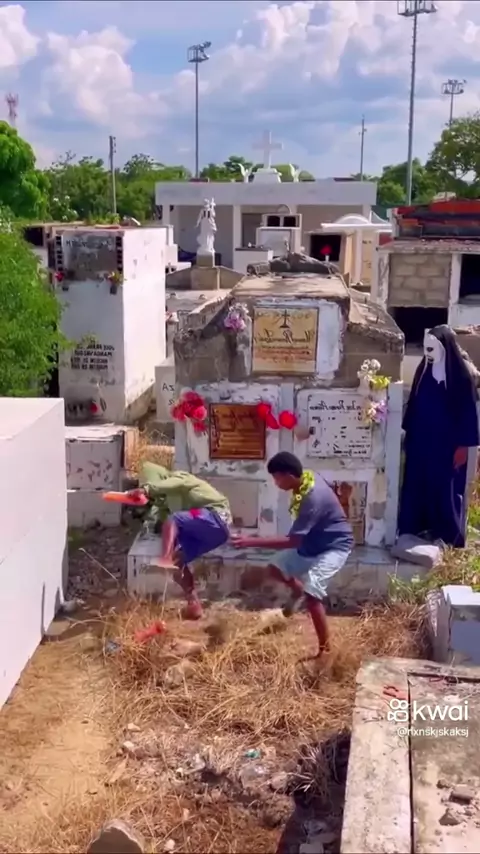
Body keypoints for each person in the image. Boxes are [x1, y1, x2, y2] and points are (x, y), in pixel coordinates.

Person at [231, 452, 354, 657]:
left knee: (312, 595)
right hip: (312, 543)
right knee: (275, 568)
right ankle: (296, 590)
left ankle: (325, 651)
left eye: (277, 478)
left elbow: (292, 541)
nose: (276, 483)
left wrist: (249, 542)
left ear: (289, 475)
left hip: (335, 546)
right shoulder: (308, 478)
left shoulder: (312, 499)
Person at [398, 325, 480, 547]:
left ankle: (449, 537)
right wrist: (409, 434)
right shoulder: (423, 370)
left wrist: (464, 446)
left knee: (445, 489)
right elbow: (414, 402)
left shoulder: (460, 377)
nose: (428, 353)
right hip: (421, 442)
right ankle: (414, 529)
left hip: (447, 446)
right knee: (416, 485)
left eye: (432, 348)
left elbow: (468, 413)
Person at [123, 463, 232, 620]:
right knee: (178, 560)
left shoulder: (180, 477)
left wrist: (145, 489)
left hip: (213, 513)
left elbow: (170, 489)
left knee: (174, 519)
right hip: (210, 531)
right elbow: (162, 517)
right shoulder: (168, 501)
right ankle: (193, 604)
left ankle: (165, 559)